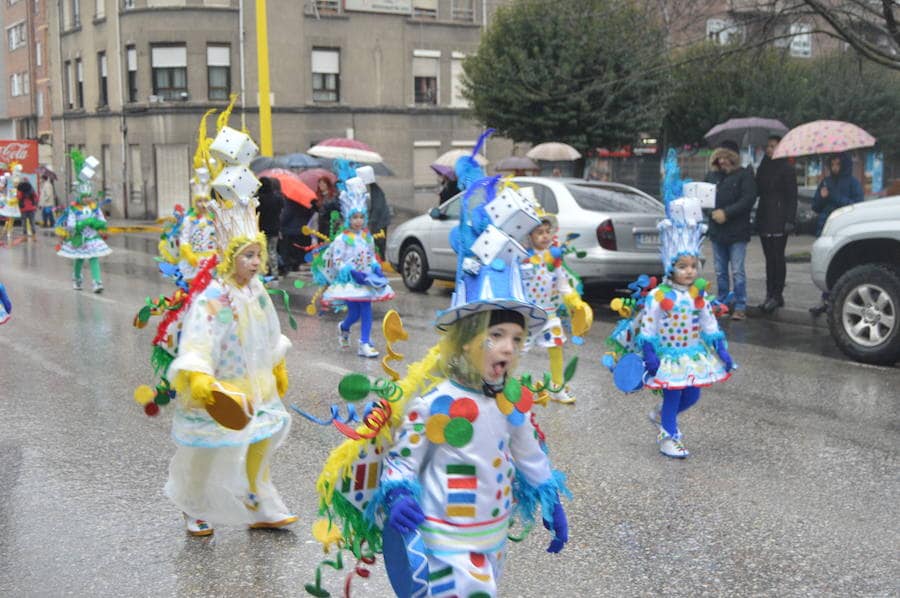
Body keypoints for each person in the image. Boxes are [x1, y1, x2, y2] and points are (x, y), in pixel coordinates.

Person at [310, 146, 569, 596]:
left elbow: (527, 453)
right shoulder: (439, 404)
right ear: (466, 339)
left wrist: (549, 496)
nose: (507, 347)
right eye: (495, 335)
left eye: (515, 338)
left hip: (490, 537)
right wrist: (399, 494)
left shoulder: (513, 403)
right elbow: (401, 461)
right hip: (443, 541)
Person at [163, 112, 296, 537]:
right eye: (248, 256)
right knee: (206, 449)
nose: (256, 263)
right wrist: (201, 381)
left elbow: (267, 331)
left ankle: (258, 498)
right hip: (220, 387)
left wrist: (276, 363)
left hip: (256, 384)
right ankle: (192, 504)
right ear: (228, 258)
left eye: (258, 254)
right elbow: (198, 339)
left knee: (262, 438)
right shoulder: (213, 296)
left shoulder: (257, 290)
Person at [608, 150, 735, 458]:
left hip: (691, 354)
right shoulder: (658, 296)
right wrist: (649, 352)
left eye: (693, 266)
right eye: (683, 266)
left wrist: (721, 349)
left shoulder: (696, 295)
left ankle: (662, 415)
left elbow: (708, 323)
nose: (689, 271)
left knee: (690, 396)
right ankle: (669, 436)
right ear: (671, 268)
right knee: (674, 394)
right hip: (666, 356)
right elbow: (649, 326)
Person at [314, 161, 394, 358]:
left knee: (366, 311)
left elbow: (369, 255)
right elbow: (338, 260)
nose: (358, 221)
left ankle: (364, 342)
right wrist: (350, 271)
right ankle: (344, 326)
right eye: (354, 217)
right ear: (348, 219)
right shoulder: (342, 239)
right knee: (355, 314)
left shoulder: (366, 236)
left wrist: (375, 267)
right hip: (351, 282)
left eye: (361, 217)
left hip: (366, 279)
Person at [521, 205, 592, 403]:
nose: (545, 236)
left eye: (547, 232)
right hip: (526, 314)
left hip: (549, 312)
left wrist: (574, 301)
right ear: (529, 236)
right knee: (518, 351)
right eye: (539, 233)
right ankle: (511, 388)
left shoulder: (554, 258)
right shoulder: (522, 258)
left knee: (556, 347)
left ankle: (557, 387)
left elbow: (563, 285)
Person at [706, 140, 756, 320]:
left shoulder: (744, 176)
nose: (723, 161)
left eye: (727, 157)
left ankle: (740, 304)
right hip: (717, 231)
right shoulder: (712, 177)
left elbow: (748, 199)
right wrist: (712, 213)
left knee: (737, 270)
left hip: (737, 231)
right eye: (720, 158)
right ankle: (722, 302)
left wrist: (726, 213)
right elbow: (703, 199)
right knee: (720, 271)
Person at [809, 153, 864, 315]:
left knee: (843, 265)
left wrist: (833, 196)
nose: (834, 168)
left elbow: (856, 205)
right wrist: (822, 197)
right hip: (825, 228)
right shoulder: (826, 182)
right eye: (832, 164)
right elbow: (816, 206)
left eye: (837, 164)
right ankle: (825, 298)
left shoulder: (853, 183)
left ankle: (841, 299)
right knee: (827, 266)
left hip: (844, 229)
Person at [56, 152, 111, 293]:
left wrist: (97, 223)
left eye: (89, 196)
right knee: (79, 259)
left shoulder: (94, 206)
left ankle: (97, 282)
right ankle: (77, 279)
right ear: (79, 196)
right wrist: (80, 224)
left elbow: (102, 220)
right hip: (79, 237)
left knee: (94, 258)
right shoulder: (74, 208)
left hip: (92, 237)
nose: (87, 199)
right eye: (84, 197)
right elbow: (70, 224)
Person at [755, 135, 798, 313]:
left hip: (780, 218)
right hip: (765, 215)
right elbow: (758, 190)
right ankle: (769, 294)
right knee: (768, 259)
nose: (770, 149)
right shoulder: (763, 166)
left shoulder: (787, 168)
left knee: (777, 257)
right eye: (768, 146)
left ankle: (777, 294)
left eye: (773, 146)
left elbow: (792, 196)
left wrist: (789, 219)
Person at [277, 178, 309, 275]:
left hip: (290, 229)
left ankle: (289, 265)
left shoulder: (290, 202)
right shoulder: (305, 200)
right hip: (301, 228)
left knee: (288, 249)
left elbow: (287, 215)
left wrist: (280, 223)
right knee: (297, 249)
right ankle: (296, 264)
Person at [256, 176, 283, 281]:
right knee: (272, 251)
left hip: (261, 228)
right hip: (274, 228)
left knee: (262, 251)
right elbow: (281, 210)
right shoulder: (277, 198)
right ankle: (275, 272)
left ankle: (264, 271)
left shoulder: (258, 199)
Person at [367, 180, 391, 260]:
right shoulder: (372, 190)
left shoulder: (375, 191)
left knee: (379, 244)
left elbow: (377, 208)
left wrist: (371, 222)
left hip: (379, 223)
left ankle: (380, 261)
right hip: (378, 221)